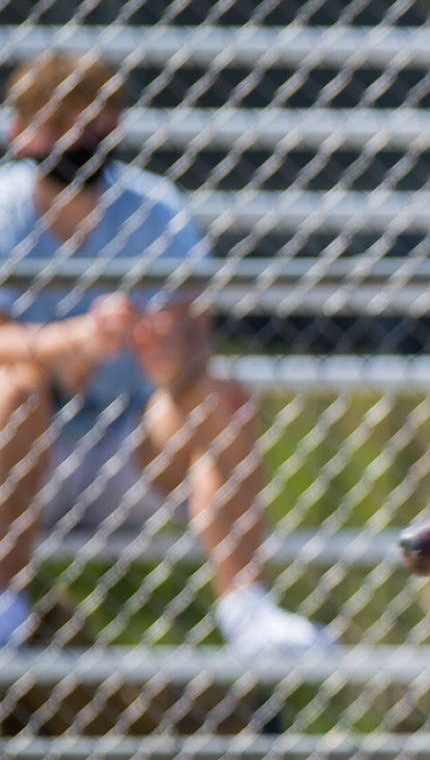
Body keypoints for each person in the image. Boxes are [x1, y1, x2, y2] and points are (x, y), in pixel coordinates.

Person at [0, 52, 328, 656]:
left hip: (132, 445)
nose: (75, 140)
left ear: (115, 129)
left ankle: (248, 611)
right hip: (24, 449)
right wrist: (69, 343)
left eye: (92, 123)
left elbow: (193, 334)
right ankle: (3, 609)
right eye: (58, 124)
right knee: (12, 389)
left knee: (220, 400)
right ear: (18, 132)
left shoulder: (154, 208)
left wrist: (169, 356)